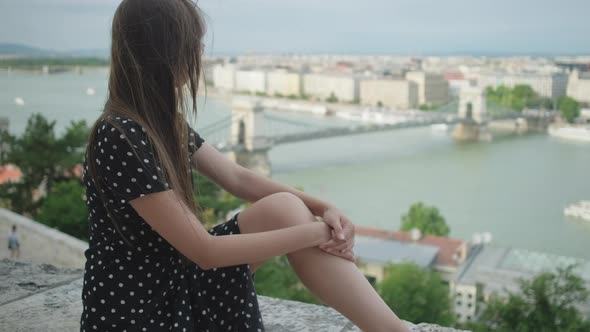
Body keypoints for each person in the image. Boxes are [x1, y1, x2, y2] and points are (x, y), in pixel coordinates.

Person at [80, 0, 410, 331]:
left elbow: (236, 178)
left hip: (176, 278)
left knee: (284, 207)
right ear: (166, 50)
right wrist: (317, 232)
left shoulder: (163, 123)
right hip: (140, 309)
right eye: (194, 42)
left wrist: (325, 208)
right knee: (289, 216)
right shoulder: (119, 135)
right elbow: (204, 251)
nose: (201, 52)